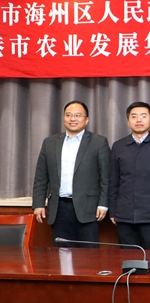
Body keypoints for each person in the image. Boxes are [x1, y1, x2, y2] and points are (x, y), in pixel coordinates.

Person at [32, 101, 110, 247]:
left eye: (77, 115)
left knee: (89, 255)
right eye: (68, 115)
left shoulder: (99, 142)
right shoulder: (50, 143)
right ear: (64, 118)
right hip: (59, 208)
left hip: (88, 208)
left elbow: (106, 178)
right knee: (62, 254)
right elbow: (41, 177)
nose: (72, 119)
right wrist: (38, 204)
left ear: (86, 120)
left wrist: (103, 204)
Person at [108, 102, 150, 249]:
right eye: (134, 116)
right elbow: (113, 181)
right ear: (128, 121)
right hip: (124, 214)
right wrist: (113, 211)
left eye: (143, 116)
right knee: (128, 257)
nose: (139, 120)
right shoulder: (118, 146)